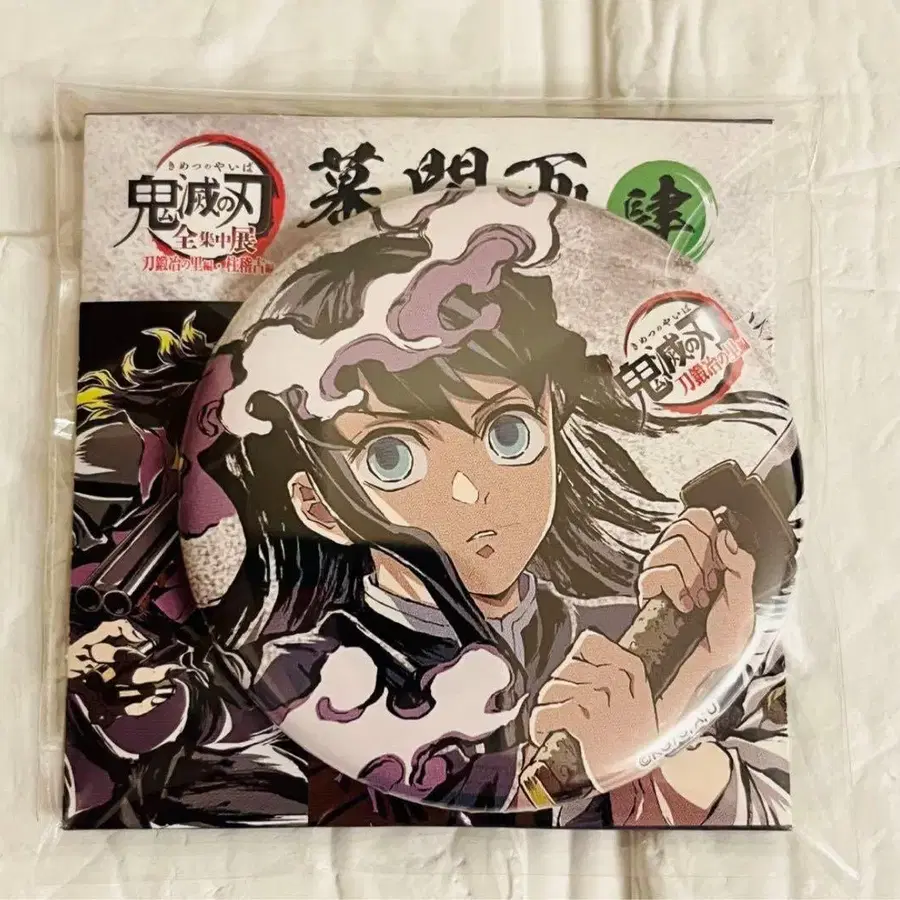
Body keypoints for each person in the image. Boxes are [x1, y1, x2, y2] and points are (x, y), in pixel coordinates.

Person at [181, 188, 792, 826]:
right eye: (392, 458)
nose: (472, 493)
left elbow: (762, 813)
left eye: (508, 432)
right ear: (316, 505)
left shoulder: (616, 628)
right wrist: (595, 764)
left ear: (553, 418)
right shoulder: (310, 682)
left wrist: (703, 668)